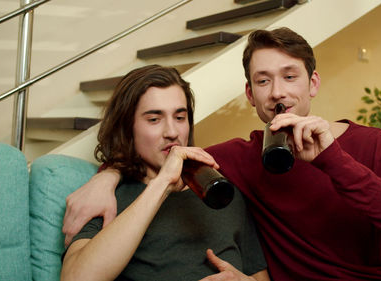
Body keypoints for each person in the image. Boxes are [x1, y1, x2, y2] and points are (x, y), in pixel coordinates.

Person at [63, 28, 381, 280]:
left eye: (290, 76)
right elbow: (166, 149)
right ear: (250, 95)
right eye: (263, 81)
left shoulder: (372, 144)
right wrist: (107, 174)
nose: (277, 92)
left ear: (313, 83)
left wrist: (334, 159)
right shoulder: (238, 161)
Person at [60, 65, 269, 281]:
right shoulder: (105, 199)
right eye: (154, 119)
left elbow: (260, 278)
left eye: (179, 118)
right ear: (127, 128)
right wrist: (163, 183)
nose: (172, 132)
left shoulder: (224, 190)